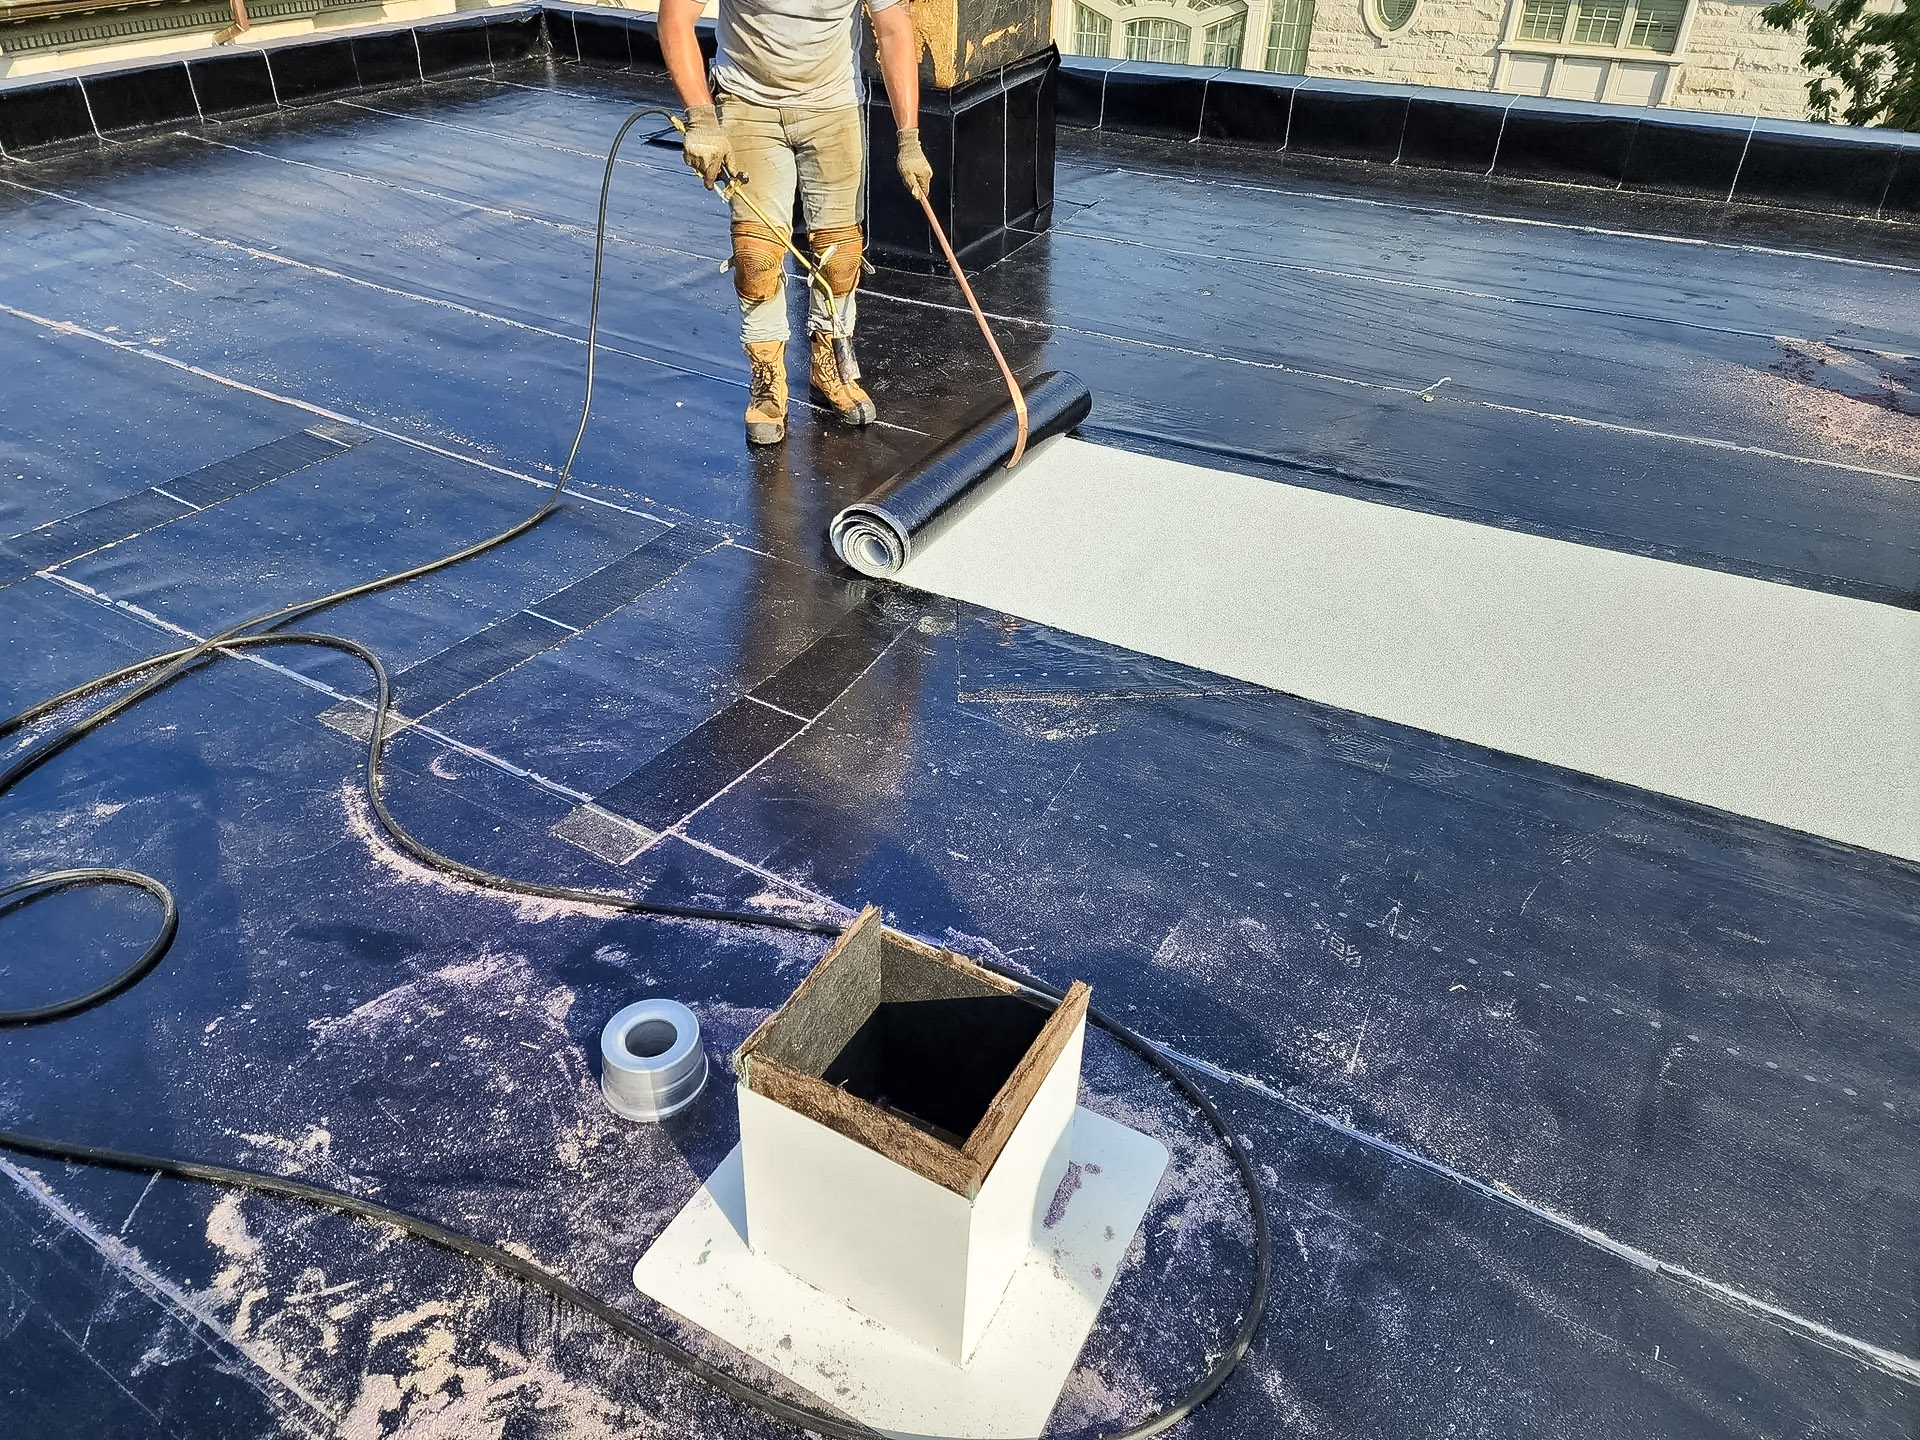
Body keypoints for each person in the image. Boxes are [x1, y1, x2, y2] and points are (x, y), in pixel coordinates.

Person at [659, 0, 934, 445]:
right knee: (757, 255)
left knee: (840, 254)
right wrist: (703, 118)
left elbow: (894, 30)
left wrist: (909, 139)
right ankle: (768, 378)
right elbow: (675, 18)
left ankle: (830, 365)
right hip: (748, 104)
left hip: (833, 108)